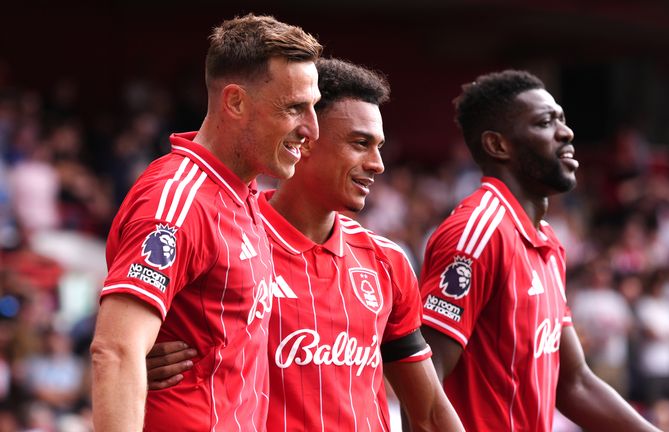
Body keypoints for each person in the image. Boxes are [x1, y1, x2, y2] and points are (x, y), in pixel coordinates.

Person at [146, 58, 463, 431]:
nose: (377, 164)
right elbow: (124, 342)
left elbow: (428, 414)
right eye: (360, 144)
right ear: (304, 141)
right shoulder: (227, 238)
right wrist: (139, 364)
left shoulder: (386, 261)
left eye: (379, 147)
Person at [89, 14, 322, 431]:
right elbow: (116, 350)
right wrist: (132, 356)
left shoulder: (240, 196)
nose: (312, 129)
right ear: (235, 102)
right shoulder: (176, 202)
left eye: (313, 108)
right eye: (294, 108)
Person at [418, 69, 660, 431]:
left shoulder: (546, 241)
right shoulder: (478, 234)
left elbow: (574, 383)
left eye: (562, 119)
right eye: (546, 122)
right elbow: (422, 382)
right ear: (498, 145)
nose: (566, 132)